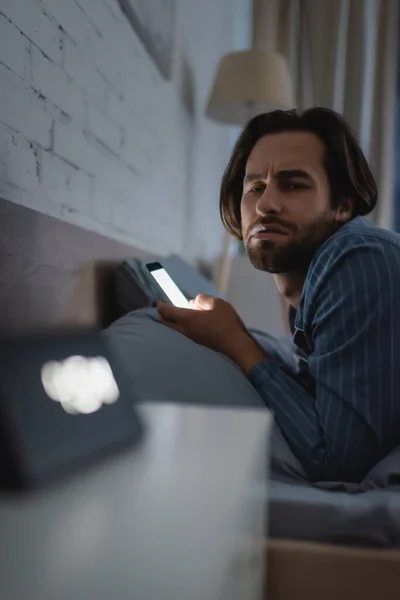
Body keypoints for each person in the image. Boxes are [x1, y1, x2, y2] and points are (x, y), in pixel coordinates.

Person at [157, 107, 400, 483]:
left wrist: (238, 343)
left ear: (342, 205)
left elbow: (338, 462)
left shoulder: (356, 258)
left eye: (293, 184)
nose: (265, 204)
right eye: (254, 187)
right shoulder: (308, 290)